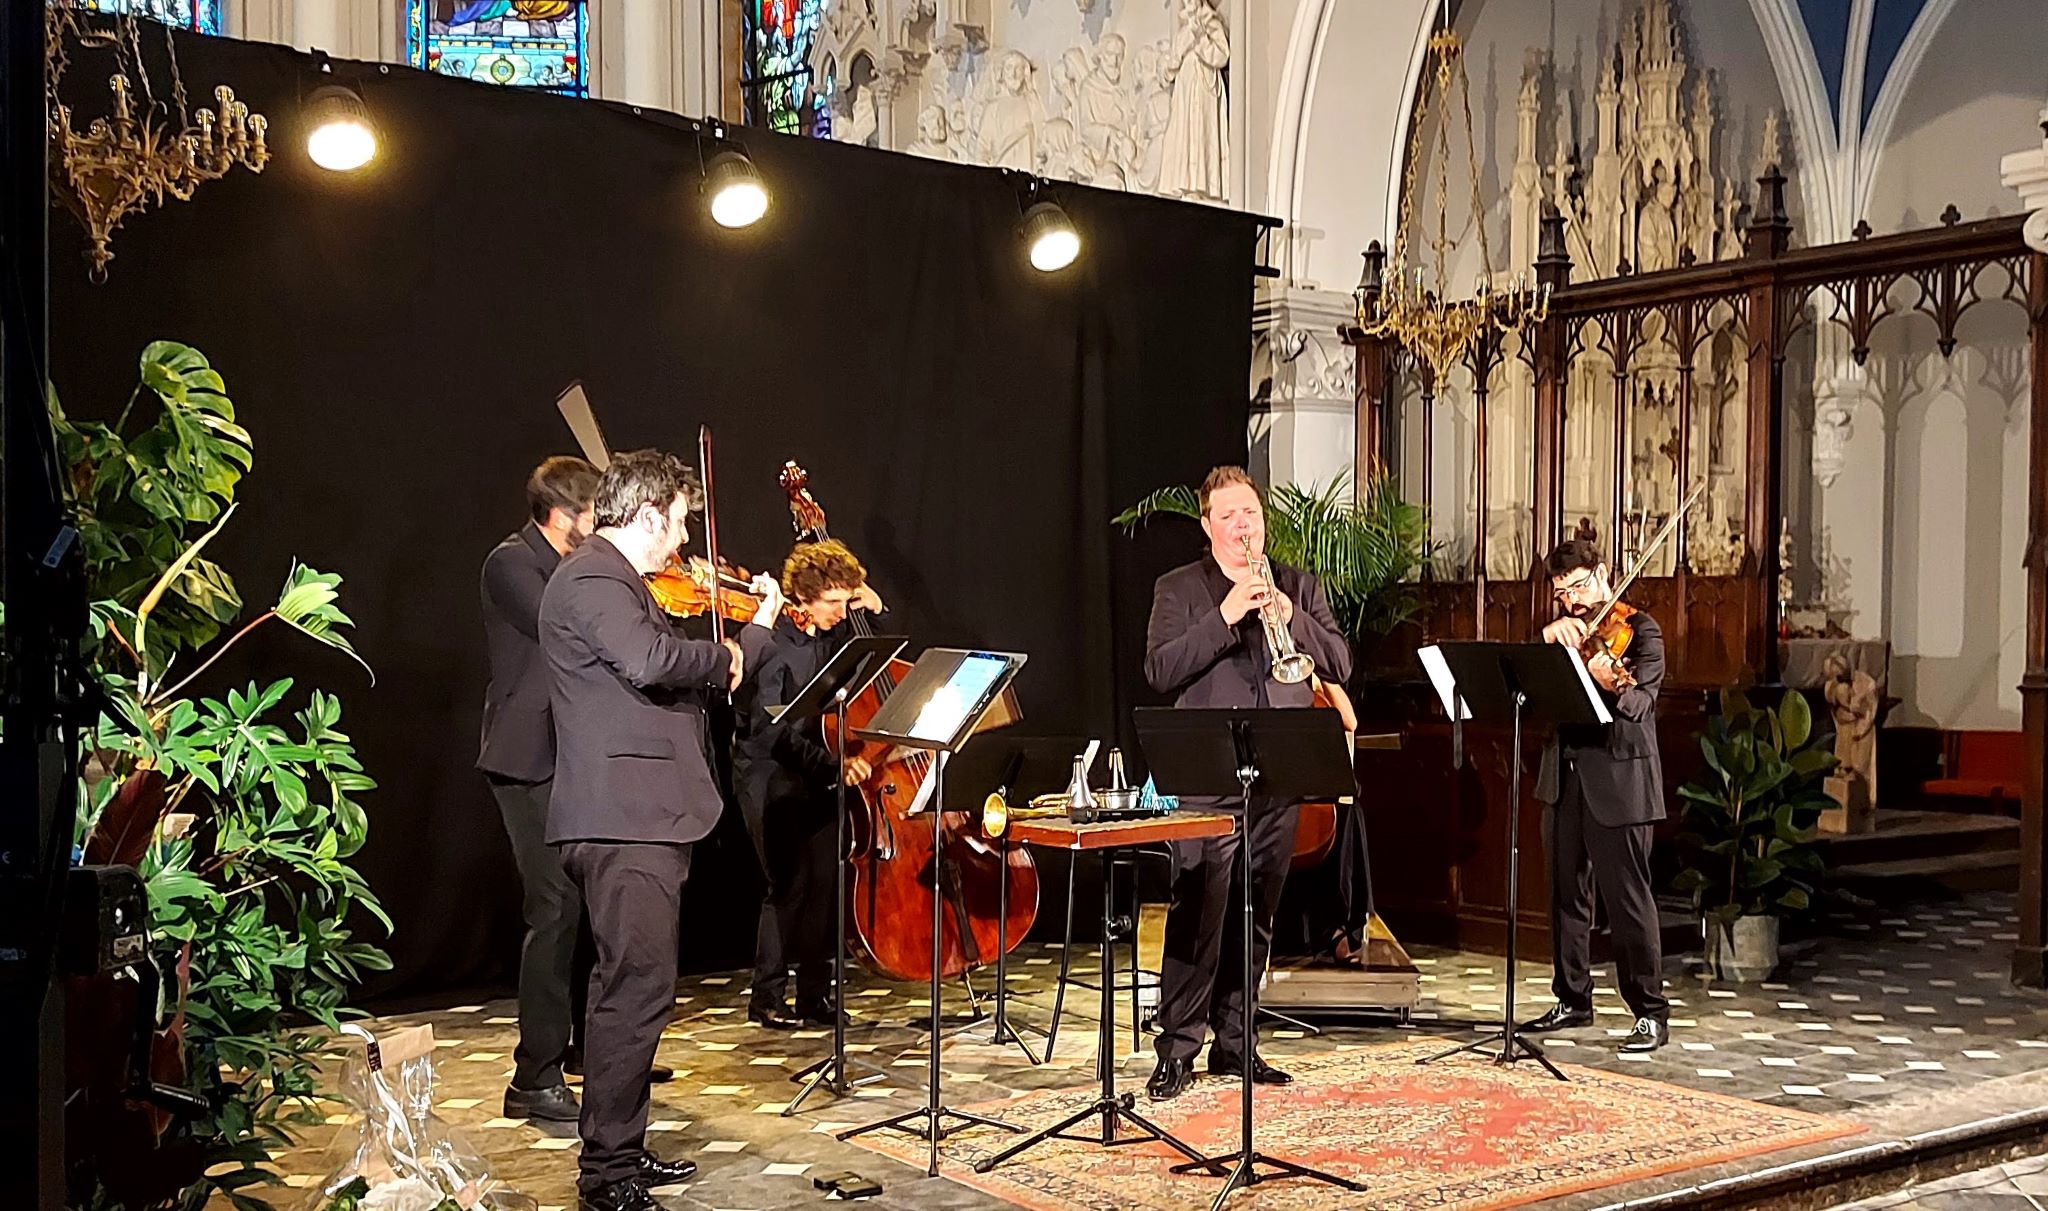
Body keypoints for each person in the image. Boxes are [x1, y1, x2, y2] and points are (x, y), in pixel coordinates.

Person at [540, 449, 782, 1211]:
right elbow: (650, 659)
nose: (682, 540)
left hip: (639, 813)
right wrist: (727, 653)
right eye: (677, 522)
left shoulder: (614, 581)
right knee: (632, 991)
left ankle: (624, 1150)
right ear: (647, 515)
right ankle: (607, 1173)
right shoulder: (590, 577)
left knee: (636, 988)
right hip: (621, 818)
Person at [1141, 466, 1351, 1100]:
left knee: (1257, 913)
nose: (1243, 526)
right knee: (1199, 912)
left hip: (1277, 774)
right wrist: (1226, 617)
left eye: (1251, 514)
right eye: (1229, 516)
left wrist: (1294, 618)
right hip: (1206, 775)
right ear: (1208, 527)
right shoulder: (1178, 589)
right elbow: (1159, 670)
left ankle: (1237, 1045)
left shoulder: (1298, 585)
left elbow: (1339, 663)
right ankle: (1178, 1046)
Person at [478, 456, 599, 1123]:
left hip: (573, 758)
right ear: (564, 515)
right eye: (592, 516)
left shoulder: (571, 563)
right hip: (526, 759)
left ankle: (585, 1047)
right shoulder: (511, 562)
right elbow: (562, 617)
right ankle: (534, 1076)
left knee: (585, 907)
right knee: (552, 909)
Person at [1522, 538, 1669, 1054]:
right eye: (1563, 595)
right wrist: (1547, 643)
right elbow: (1534, 695)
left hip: (1620, 782)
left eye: (1580, 587)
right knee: (1565, 897)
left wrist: (1612, 678)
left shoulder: (1642, 631)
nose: (1574, 603)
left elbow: (1641, 706)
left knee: (1628, 901)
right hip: (1563, 777)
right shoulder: (1563, 635)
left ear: (1604, 574)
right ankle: (1573, 998)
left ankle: (1649, 1011)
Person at [734, 539, 884, 1030]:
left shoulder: (832, 636)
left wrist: (874, 610)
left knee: (825, 881)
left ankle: (815, 996)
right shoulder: (773, 643)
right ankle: (767, 997)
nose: (843, 614)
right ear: (804, 596)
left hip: (817, 768)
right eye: (834, 603)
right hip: (769, 771)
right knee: (788, 884)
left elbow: (870, 664)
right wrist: (833, 767)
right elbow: (770, 731)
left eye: (847, 602)